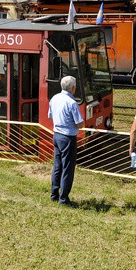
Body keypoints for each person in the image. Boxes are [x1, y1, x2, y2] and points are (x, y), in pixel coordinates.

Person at [48, 75, 84, 206]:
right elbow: (79, 123)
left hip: (56, 135)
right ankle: (64, 199)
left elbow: (50, 115)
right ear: (73, 88)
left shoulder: (54, 98)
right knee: (67, 169)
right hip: (68, 138)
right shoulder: (72, 103)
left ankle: (54, 194)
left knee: (57, 166)